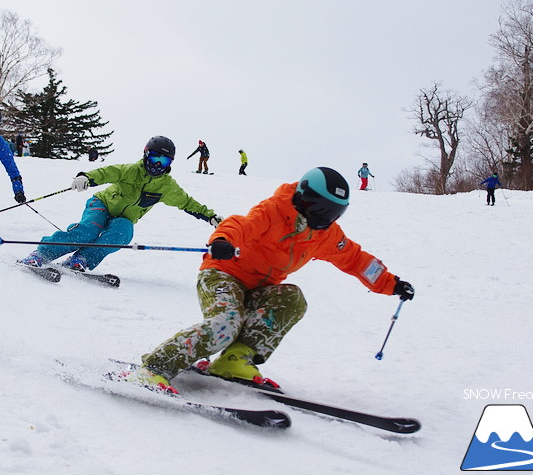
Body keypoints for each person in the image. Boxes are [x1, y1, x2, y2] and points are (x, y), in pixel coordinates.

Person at [125, 167, 415, 393]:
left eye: (335, 212)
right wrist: (223, 240)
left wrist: (391, 283)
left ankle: (235, 359)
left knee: (292, 298)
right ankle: (154, 368)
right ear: (304, 198)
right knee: (225, 324)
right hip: (223, 274)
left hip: (261, 288)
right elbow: (239, 224)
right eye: (322, 210)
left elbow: (355, 259)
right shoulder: (274, 211)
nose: (326, 219)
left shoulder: (325, 234)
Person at [18, 136, 224, 272]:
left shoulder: (167, 186)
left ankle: (82, 259)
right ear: (145, 155)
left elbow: (187, 203)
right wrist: (85, 177)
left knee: (123, 233)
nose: (157, 165)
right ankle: (42, 253)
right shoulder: (130, 170)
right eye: (154, 158)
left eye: (164, 161)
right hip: (102, 204)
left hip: (123, 218)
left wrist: (210, 217)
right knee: (89, 231)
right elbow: (106, 172)